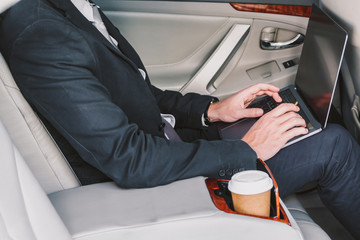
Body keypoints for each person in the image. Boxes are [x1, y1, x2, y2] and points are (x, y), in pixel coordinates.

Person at [0, 0, 359, 237]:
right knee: (334, 147)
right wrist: (247, 148)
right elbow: (130, 160)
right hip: (157, 184)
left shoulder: (73, 9)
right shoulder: (43, 36)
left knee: (309, 124)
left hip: (168, 150)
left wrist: (213, 111)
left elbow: (137, 93)